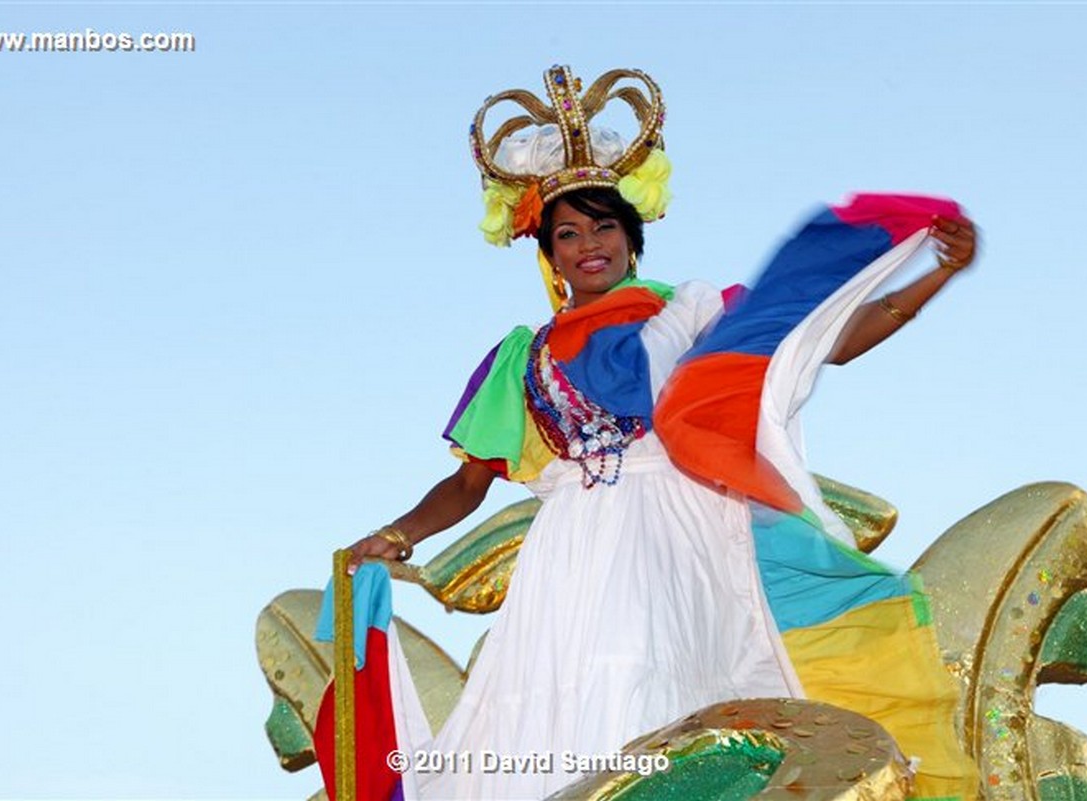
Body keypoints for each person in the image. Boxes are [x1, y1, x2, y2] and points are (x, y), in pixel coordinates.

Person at [345, 65, 980, 800]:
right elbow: (468, 481)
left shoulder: (697, 313)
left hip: (696, 527)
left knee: (688, 684)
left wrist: (934, 274)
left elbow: (827, 339)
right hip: (580, 549)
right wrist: (395, 535)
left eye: (603, 225)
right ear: (549, 254)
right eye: (568, 233)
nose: (589, 244)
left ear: (630, 235)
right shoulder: (526, 356)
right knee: (588, 699)